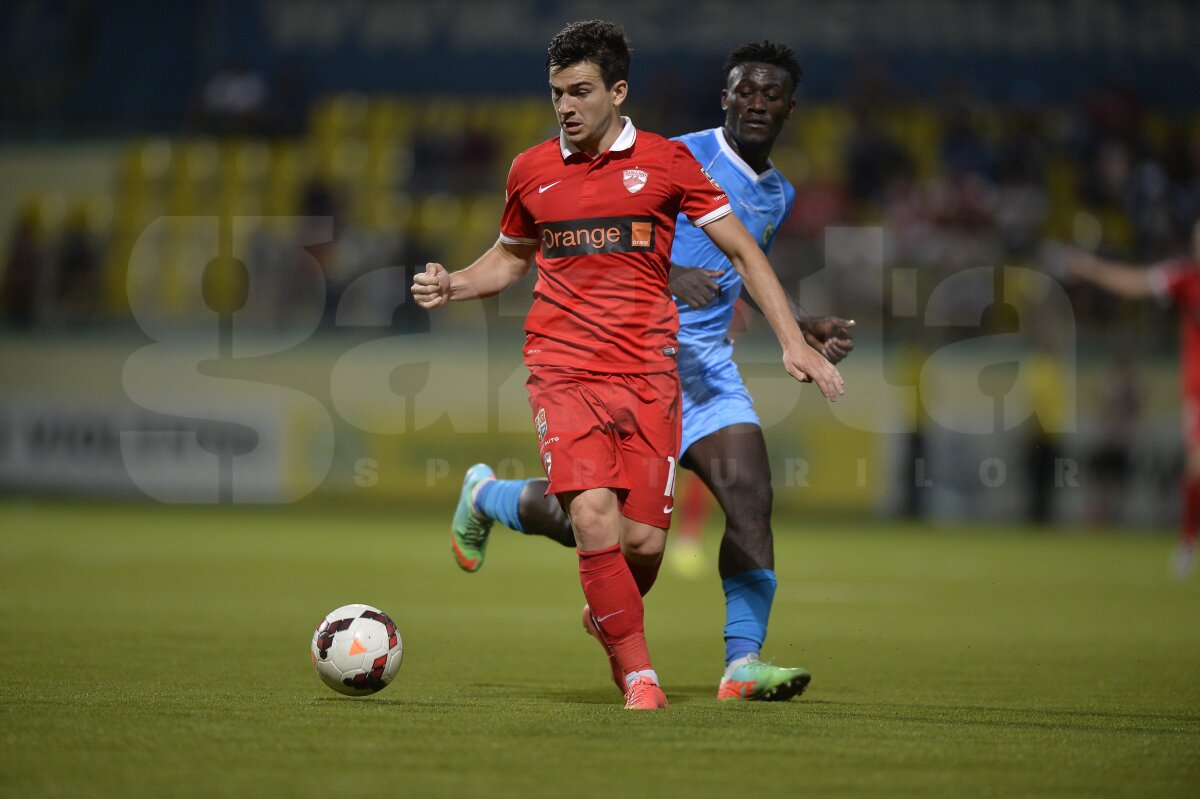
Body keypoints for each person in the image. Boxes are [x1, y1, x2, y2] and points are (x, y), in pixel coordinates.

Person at [414, 24, 845, 709]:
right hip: (570, 366)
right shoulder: (672, 154)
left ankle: (736, 661)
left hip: (673, 369)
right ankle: (638, 674)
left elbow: (739, 259)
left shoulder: (768, 190)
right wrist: (455, 283)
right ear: (726, 96)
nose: (564, 106)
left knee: (672, 529)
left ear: (793, 107)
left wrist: (796, 331)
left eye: (774, 94)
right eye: (557, 93)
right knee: (594, 517)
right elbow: (527, 250)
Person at [1066, 217, 1200, 577]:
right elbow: (1134, 284)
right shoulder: (1185, 279)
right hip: (1197, 389)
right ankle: (1187, 543)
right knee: (1196, 465)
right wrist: (1092, 268)